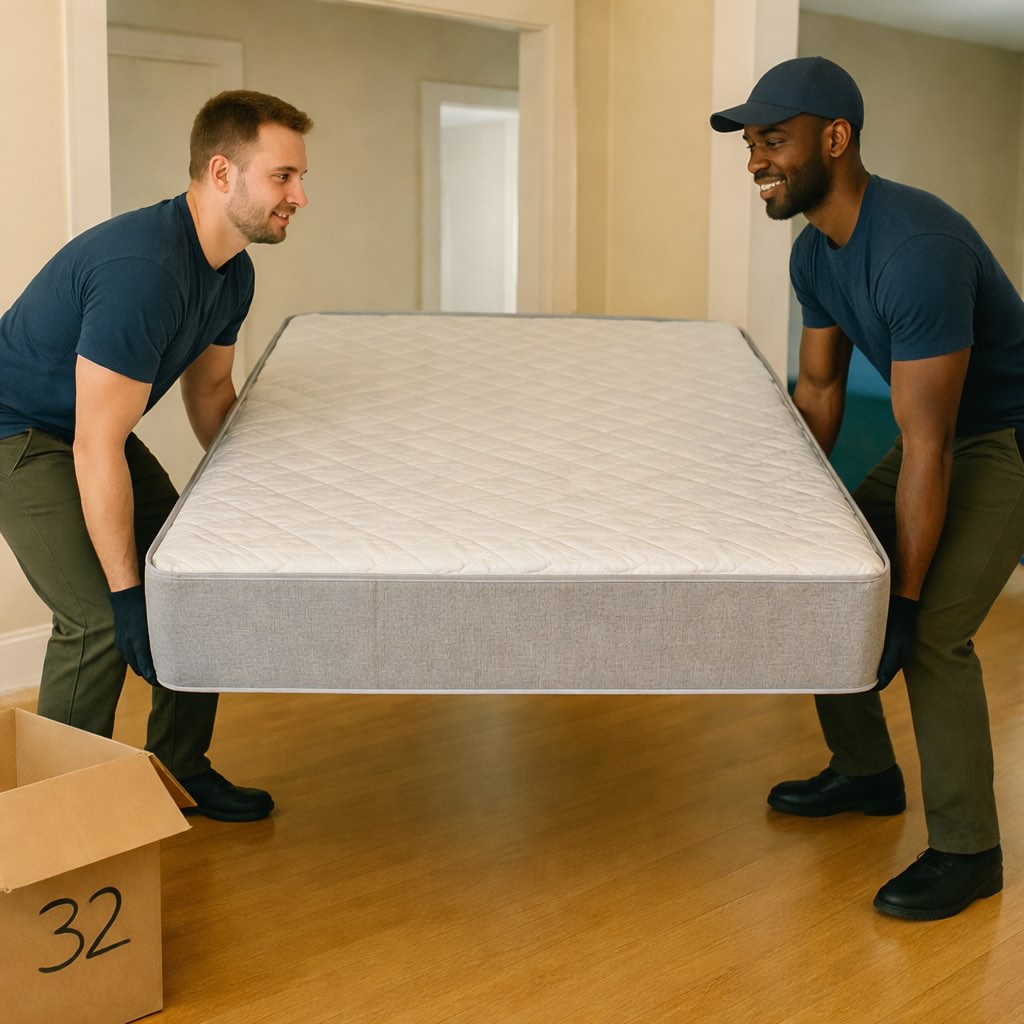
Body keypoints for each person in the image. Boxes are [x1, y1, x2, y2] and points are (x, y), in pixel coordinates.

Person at [710, 57, 1024, 919]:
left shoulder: (916, 251)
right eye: (750, 145)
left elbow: (930, 445)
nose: (755, 163)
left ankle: (970, 853)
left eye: (772, 141)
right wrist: (794, 515)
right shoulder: (815, 253)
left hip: (1004, 442)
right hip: (945, 440)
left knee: (932, 638)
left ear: (836, 139)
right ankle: (867, 773)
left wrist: (912, 599)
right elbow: (817, 391)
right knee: (831, 582)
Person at [0, 90, 312, 822]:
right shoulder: (143, 270)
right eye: (283, 177)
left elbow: (210, 396)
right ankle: (58, 814)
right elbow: (94, 443)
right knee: (97, 621)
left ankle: (180, 769)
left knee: (190, 582)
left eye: (300, 178)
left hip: (83, 431)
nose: (300, 195)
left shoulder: (233, 272)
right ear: (223, 171)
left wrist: (259, 499)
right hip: (16, 434)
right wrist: (125, 592)